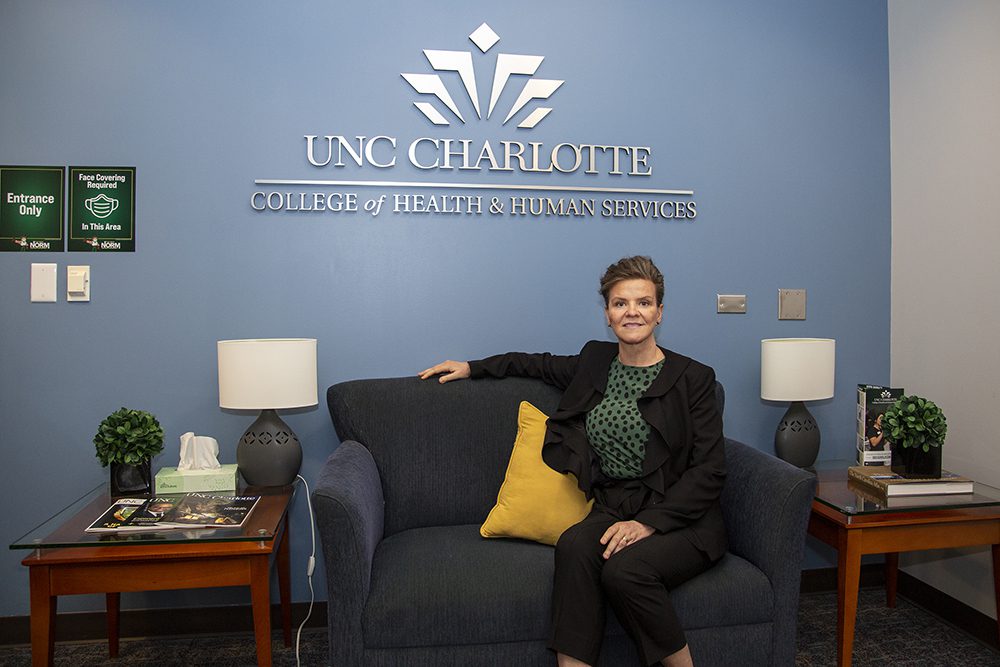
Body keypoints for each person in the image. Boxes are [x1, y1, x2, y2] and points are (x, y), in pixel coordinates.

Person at [419, 256, 726, 667]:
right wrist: (473, 367)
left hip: (682, 517)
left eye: (643, 302)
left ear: (659, 312)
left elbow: (710, 470)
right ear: (607, 313)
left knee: (624, 572)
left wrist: (648, 524)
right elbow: (533, 363)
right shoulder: (595, 361)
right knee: (574, 545)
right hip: (614, 506)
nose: (632, 312)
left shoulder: (694, 378)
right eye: (620, 303)